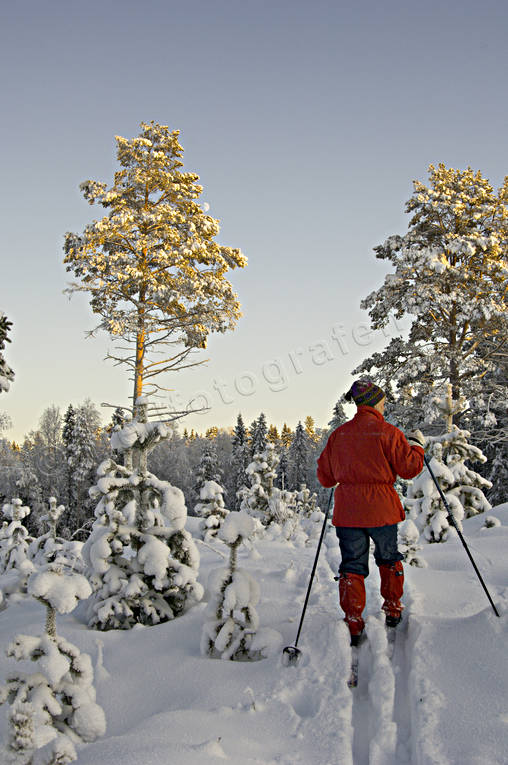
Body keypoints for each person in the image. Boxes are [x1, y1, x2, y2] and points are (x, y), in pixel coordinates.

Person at [317, 379, 424, 645]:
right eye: (383, 402)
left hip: (349, 513)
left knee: (352, 565)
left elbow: (326, 478)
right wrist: (417, 446)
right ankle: (392, 609)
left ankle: (353, 620)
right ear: (374, 402)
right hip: (382, 511)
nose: (384, 406)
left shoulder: (338, 435)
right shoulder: (388, 432)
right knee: (388, 558)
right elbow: (409, 468)